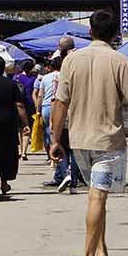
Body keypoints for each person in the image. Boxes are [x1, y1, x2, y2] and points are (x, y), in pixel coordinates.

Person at [50, 8, 128, 256]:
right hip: (108, 142)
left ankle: (101, 250)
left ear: (90, 32)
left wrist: (54, 139)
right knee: (98, 197)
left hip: (79, 140)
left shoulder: (71, 61)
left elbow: (60, 102)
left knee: (97, 196)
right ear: (115, 34)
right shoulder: (120, 61)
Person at [0, 55, 29, 197]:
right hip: (8, 122)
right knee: (7, 153)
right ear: (3, 68)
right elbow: (19, 105)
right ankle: (4, 182)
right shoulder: (11, 84)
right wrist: (25, 123)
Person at [37, 56, 80, 191]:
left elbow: (54, 100)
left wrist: (51, 121)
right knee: (72, 148)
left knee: (57, 145)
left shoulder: (51, 78)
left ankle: (64, 172)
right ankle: (73, 178)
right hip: (73, 116)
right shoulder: (75, 78)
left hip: (55, 113)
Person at [15, 60, 39, 161]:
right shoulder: (34, 79)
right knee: (27, 127)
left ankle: (20, 150)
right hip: (29, 105)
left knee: (19, 128)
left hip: (18, 104)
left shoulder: (16, 77)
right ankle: (24, 152)